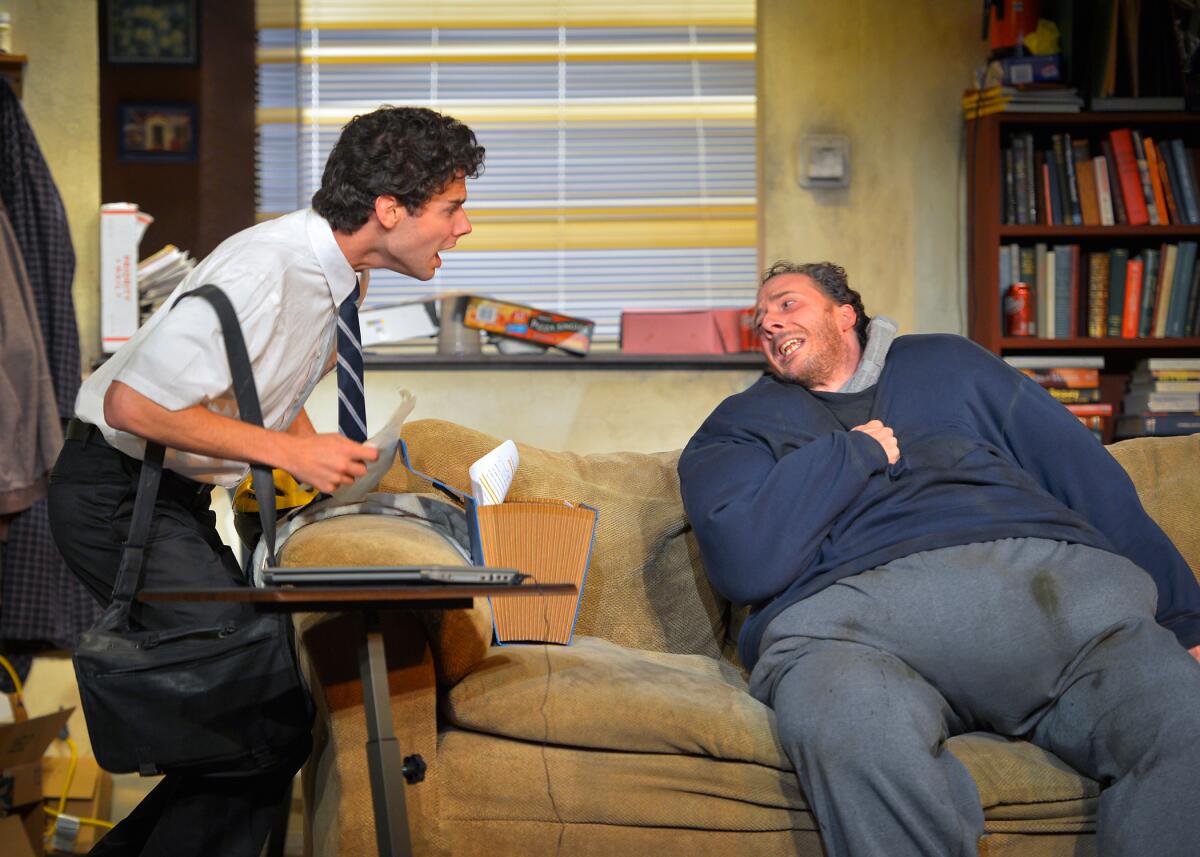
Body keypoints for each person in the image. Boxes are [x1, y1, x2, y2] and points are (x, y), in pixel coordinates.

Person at [47, 106, 484, 857]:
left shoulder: (340, 276)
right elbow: (132, 403)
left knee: (269, 722)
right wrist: (291, 458)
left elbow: (263, 393)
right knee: (255, 730)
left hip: (168, 498)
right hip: (114, 491)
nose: (463, 227)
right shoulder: (267, 268)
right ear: (389, 209)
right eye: (453, 208)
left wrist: (336, 465)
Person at [678, 260, 1200, 857]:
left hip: (1067, 619)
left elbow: (1083, 472)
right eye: (759, 319)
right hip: (855, 638)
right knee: (846, 724)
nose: (769, 322)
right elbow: (746, 561)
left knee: (1185, 715)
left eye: (787, 304)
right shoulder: (735, 428)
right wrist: (851, 455)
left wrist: (1186, 618)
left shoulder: (949, 363)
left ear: (845, 313)